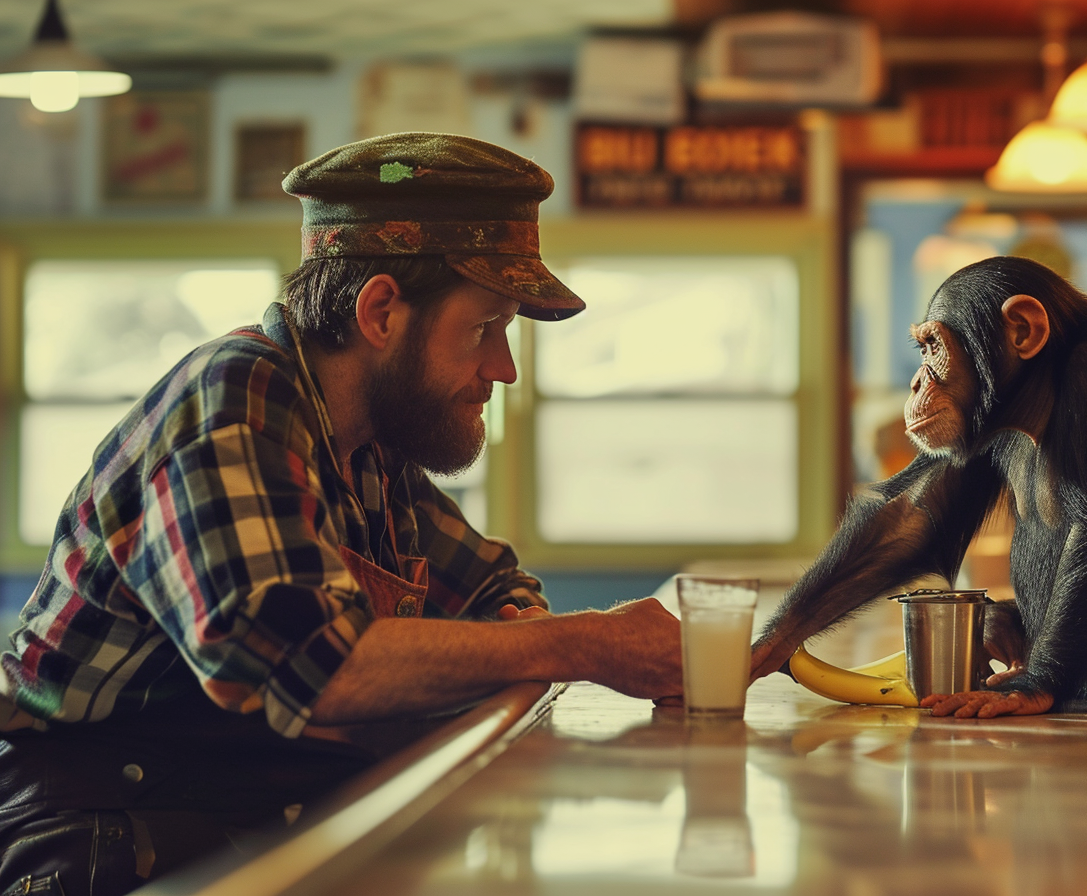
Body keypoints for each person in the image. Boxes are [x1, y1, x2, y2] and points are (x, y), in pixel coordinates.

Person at [0, 133, 683, 896]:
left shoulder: (366, 445)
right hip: (102, 838)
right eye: (486, 328)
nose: (504, 369)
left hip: (239, 817)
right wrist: (586, 645)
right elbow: (309, 669)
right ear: (382, 310)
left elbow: (494, 587)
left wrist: (521, 637)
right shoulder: (236, 401)